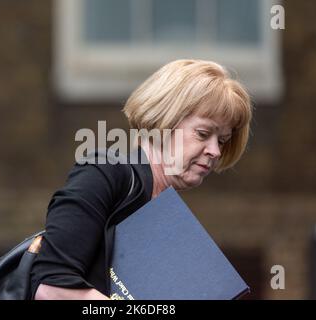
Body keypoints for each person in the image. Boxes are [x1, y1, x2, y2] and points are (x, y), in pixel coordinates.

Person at [30, 59, 253, 300]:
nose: (216, 151)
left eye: (221, 140)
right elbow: (49, 289)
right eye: (203, 133)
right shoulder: (104, 173)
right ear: (165, 120)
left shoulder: (171, 225)